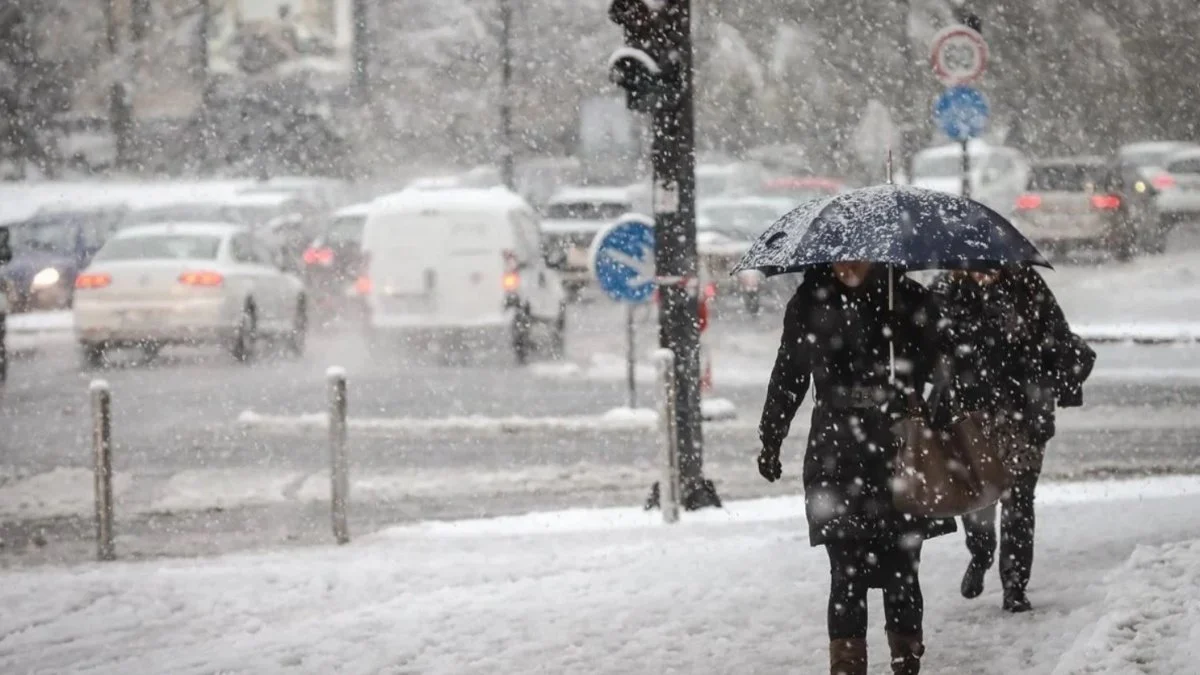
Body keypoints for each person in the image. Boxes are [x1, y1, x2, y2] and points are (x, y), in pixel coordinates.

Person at [757, 261, 955, 675]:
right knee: (846, 571)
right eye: (840, 255)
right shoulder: (810, 302)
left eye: (858, 255)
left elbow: (945, 369)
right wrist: (771, 436)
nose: (848, 262)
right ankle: (847, 666)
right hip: (837, 453)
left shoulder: (908, 299)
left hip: (900, 450)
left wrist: (910, 375)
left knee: (903, 568)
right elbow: (790, 374)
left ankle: (906, 659)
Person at [929, 265, 1094, 613]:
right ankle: (981, 553)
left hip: (1022, 414)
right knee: (978, 500)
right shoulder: (945, 290)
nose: (984, 271)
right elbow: (928, 347)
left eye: (991, 265)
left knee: (1019, 501)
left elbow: (1058, 336)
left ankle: (1015, 585)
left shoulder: (1027, 284)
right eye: (975, 265)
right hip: (970, 414)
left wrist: (1049, 365)